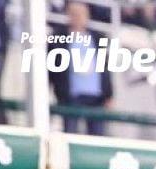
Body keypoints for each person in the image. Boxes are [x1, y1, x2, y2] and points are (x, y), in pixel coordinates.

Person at [48, 2, 113, 136]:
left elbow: (105, 69)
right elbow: (52, 69)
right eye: (74, 14)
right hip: (71, 97)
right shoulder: (58, 39)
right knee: (70, 134)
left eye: (81, 14)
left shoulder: (97, 38)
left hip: (96, 97)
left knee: (97, 136)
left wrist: (109, 94)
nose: (78, 18)